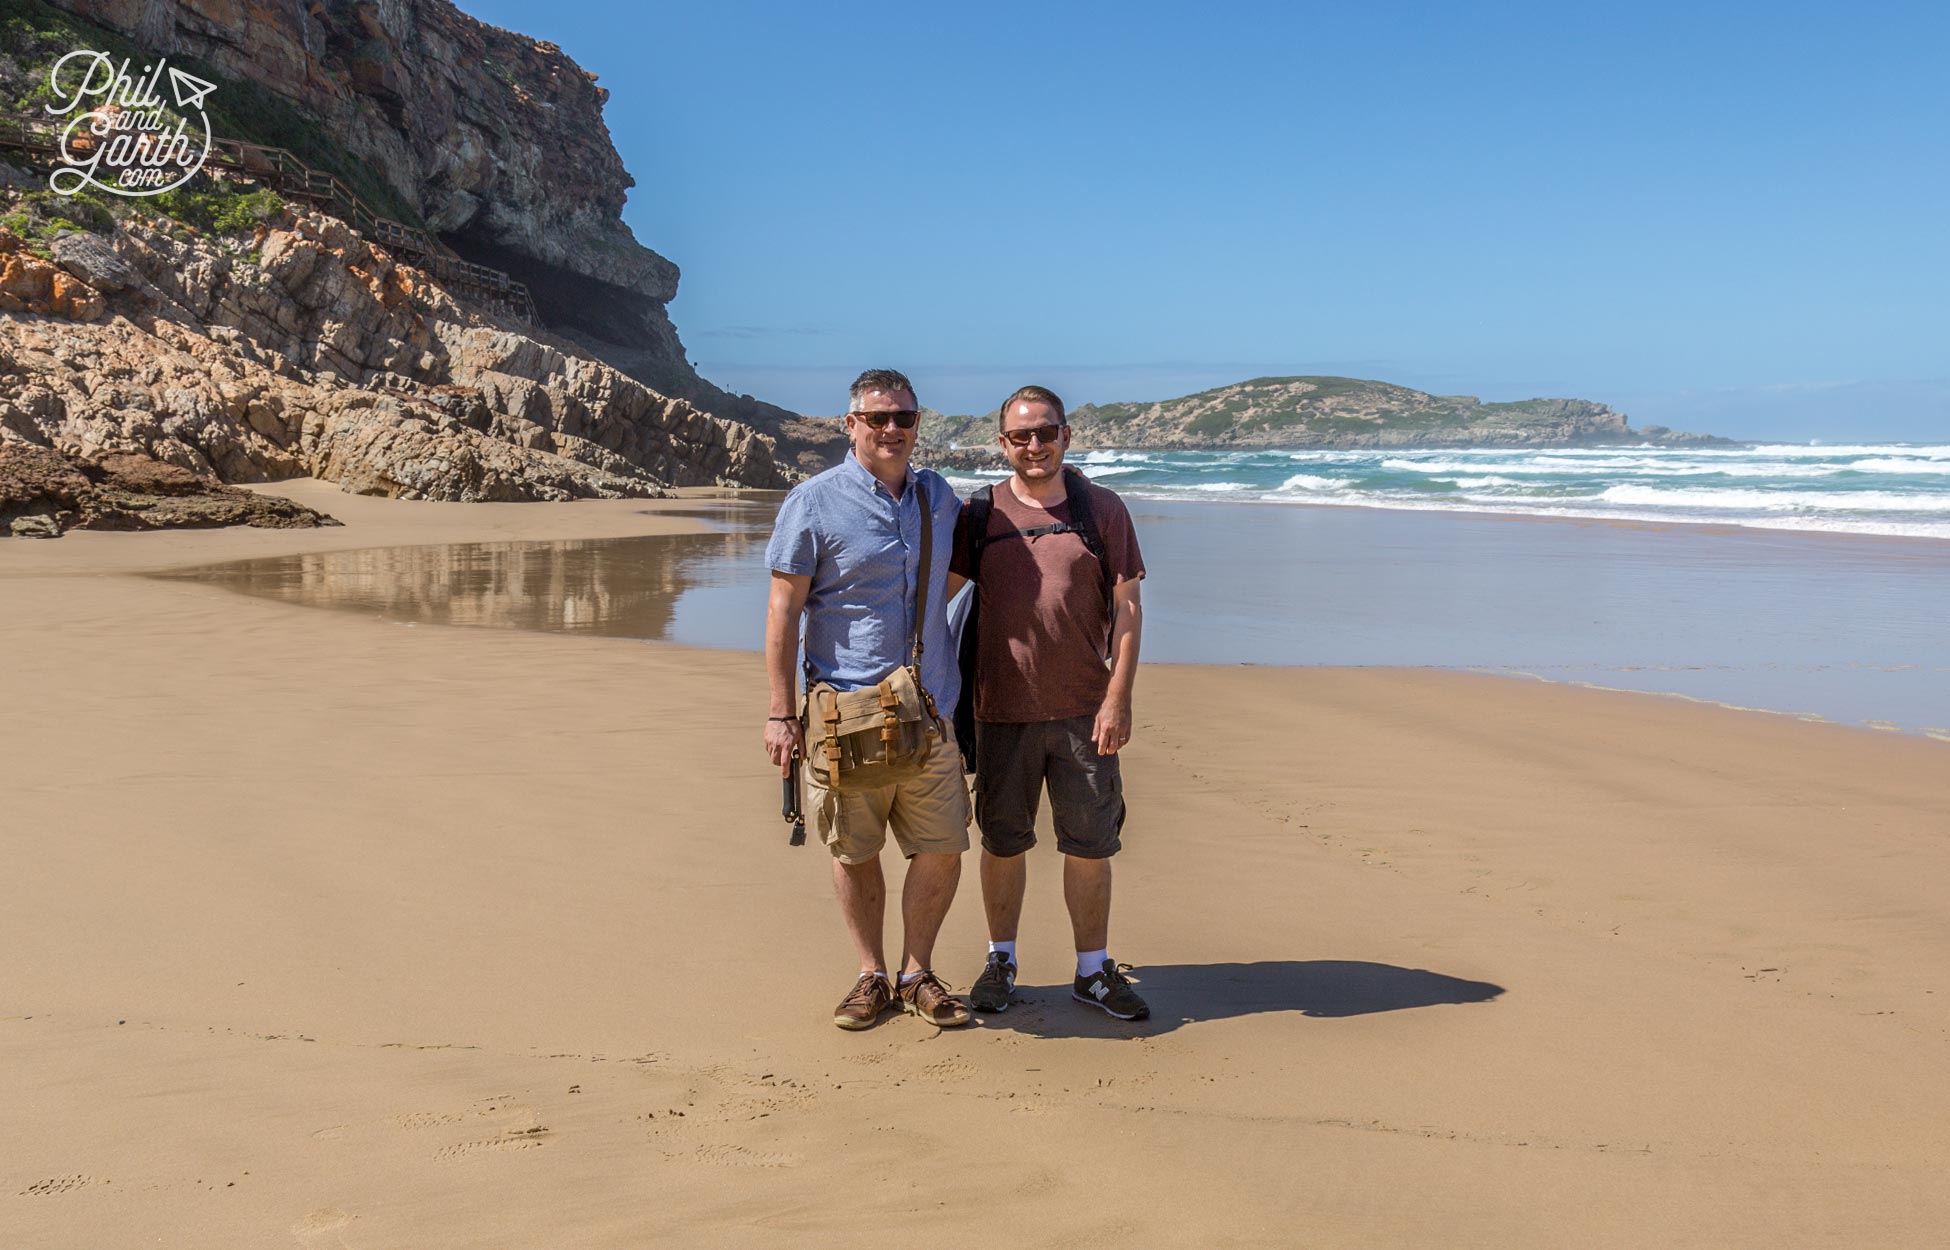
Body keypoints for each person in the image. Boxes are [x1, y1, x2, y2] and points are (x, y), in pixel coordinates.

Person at [764, 368, 973, 1030]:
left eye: (904, 418)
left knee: (942, 845)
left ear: (918, 425)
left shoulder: (940, 498)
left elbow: (957, 573)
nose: (891, 429)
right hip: (845, 714)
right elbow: (783, 608)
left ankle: (916, 973)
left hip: (931, 709)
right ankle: (870, 974)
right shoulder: (813, 502)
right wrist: (779, 711)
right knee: (853, 851)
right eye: (877, 418)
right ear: (850, 424)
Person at [950, 385, 1150, 1020]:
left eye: (1045, 432)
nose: (1033, 445)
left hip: (1084, 712)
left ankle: (1092, 971)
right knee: (1003, 842)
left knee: (1090, 845)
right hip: (999, 710)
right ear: (1002, 443)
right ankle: (1001, 961)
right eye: (1020, 436)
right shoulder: (980, 515)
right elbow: (934, 603)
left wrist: (1118, 696)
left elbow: (1128, 609)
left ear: (1068, 435)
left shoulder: (1103, 510)